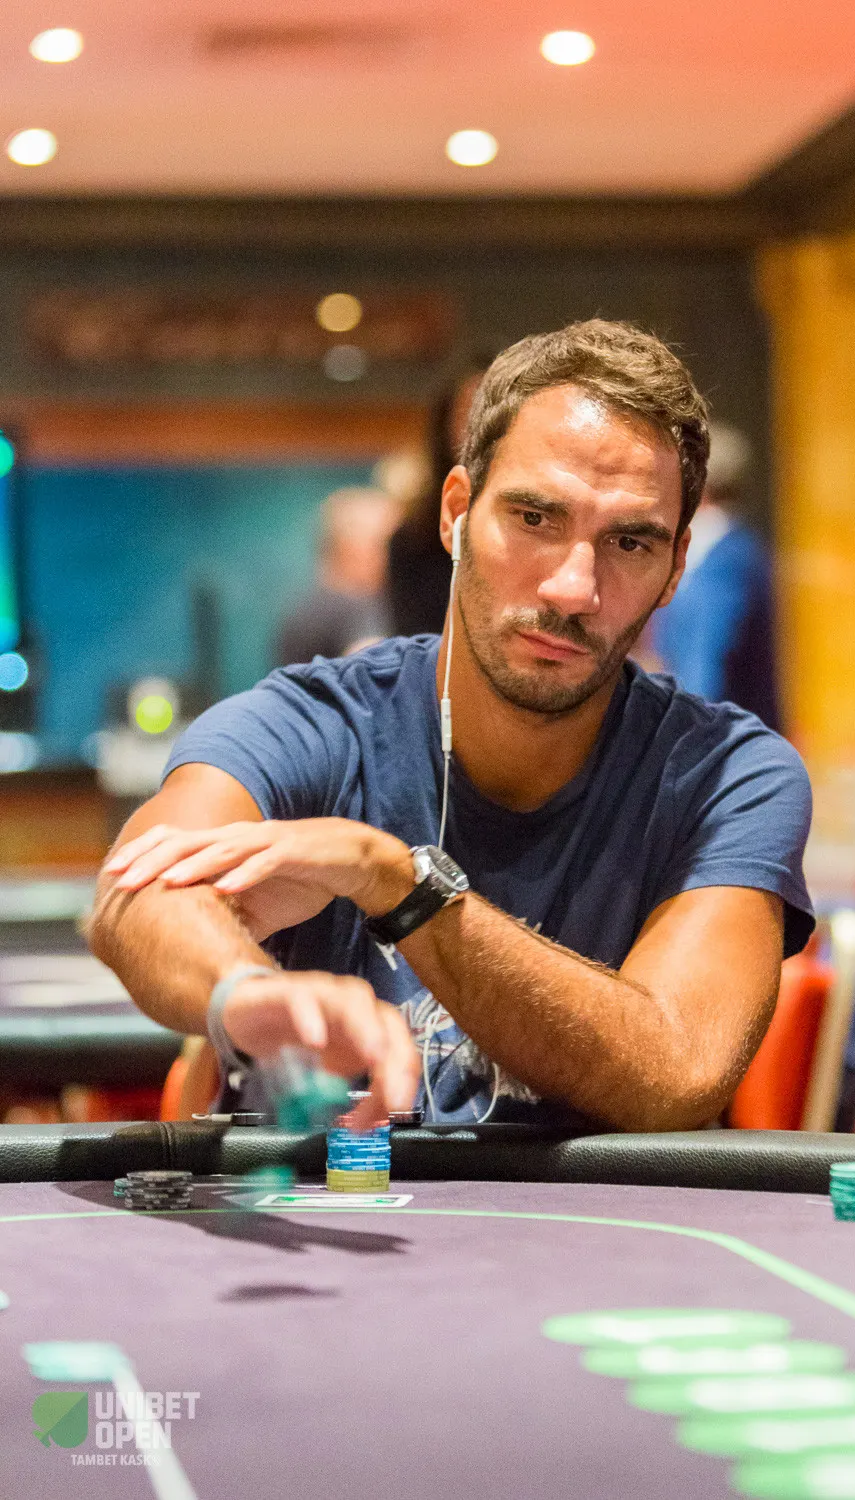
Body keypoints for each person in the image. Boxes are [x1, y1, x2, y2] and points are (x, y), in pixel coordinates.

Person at [88, 319, 813, 1134]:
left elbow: (677, 1073)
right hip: (323, 1203)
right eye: (535, 518)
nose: (574, 588)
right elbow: (140, 894)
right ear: (456, 512)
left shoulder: (727, 774)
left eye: (629, 542)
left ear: (675, 568)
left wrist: (402, 886)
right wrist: (248, 993)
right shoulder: (314, 721)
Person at [651, 424, 782, 731]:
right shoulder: (735, 548)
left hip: (718, 737)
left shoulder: (725, 558)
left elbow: (706, 661)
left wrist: (682, 730)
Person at [386, 361, 491, 637]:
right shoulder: (412, 539)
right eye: (468, 416)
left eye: (491, 417)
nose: (480, 432)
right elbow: (414, 639)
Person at [275, 486, 399, 666]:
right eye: (391, 542)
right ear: (350, 548)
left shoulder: (301, 611)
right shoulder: (357, 607)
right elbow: (377, 668)